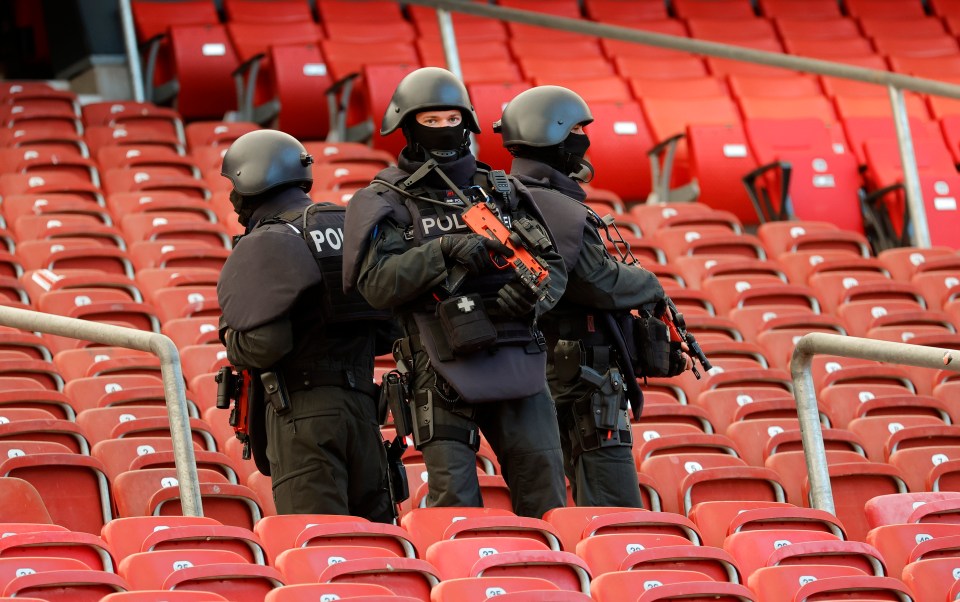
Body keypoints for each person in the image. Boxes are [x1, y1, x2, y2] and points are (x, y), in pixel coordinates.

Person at [341, 67, 568, 519]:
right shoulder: (385, 199)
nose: (445, 130)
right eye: (432, 121)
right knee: (456, 505)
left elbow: (553, 267)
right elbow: (375, 286)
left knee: (545, 489)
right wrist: (443, 251)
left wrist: (532, 297)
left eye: (452, 120)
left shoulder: (501, 189)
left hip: (515, 350)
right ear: (407, 126)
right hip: (437, 363)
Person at [494, 85, 692, 507]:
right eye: (578, 128)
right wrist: (650, 284)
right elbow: (596, 281)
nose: (584, 138)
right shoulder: (553, 206)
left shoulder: (515, 198)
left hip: (547, 369)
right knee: (614, 505)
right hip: (581, 376)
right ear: (551, 133)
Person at [216, 129, 395, 521]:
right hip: (364, 412)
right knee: (378, 548)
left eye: (234, 186)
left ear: (252, 179)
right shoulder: (349, 226)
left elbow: (266, 344)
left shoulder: (270, 239)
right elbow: (387, 330)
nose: (232, 199)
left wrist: (231, 338)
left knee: (321, 543)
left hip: (304, 414)